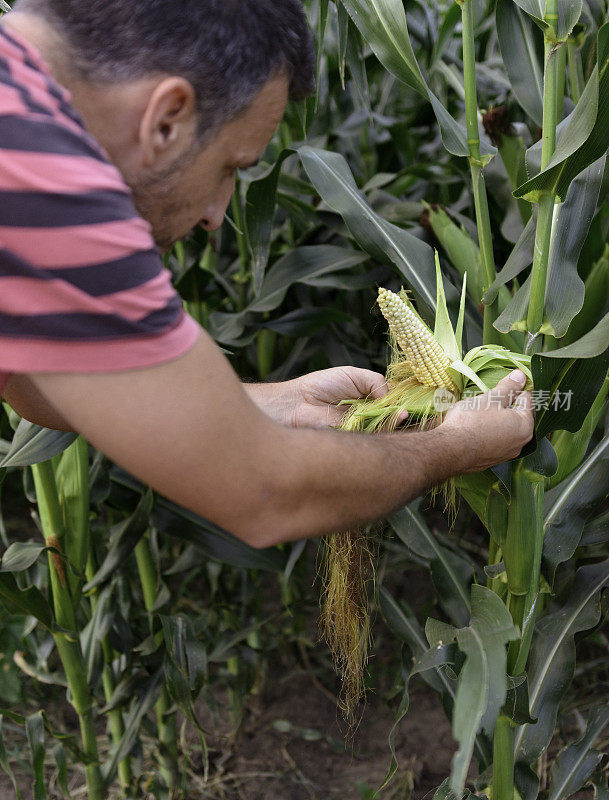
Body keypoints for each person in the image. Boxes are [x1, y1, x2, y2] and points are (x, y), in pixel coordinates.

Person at [0, 0, 533, 549]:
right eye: (230, 168)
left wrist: (276, 402)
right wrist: (458, 445)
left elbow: (37, 388)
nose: (215, 216)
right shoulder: (51, 187)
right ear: (166, 119)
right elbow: (266, 493)